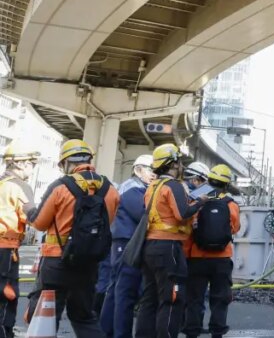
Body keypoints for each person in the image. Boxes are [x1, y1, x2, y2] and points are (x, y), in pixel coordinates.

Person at [27, 139, 119, 338]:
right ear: (89, 160)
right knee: (84, 316)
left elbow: (40, 223)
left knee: (45, 315)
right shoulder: (109, 189)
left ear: (67, 162)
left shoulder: (60, 186)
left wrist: (29, 211)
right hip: (88, 262)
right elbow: (107, 222)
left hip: (56, 261)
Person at [134, 144, 207, 338]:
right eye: (179, 162)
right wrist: (200, 202)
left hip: (150, 246)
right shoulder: (172, 185)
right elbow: (182, 214)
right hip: (169, 248)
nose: (182, 166)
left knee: (149, 299)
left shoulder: (153, 186)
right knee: (172, 298)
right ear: (173, 163)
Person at [99, 154, 154, 338]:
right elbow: (143, 215)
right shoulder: (132, 188)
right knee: (125, 292)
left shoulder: (139, 187)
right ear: (138, 170)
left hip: (125, 242)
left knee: (116, 290)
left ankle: (107, 330)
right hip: (126, 243)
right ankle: (120, 334)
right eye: (150, 169)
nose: (154, 174)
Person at [184, 165, 239, 338]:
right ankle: (217, 332)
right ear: (226, 184)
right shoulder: (231, 204)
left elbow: (188, 226)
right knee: (220, 298)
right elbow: (235, 228)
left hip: (197, 257)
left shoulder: (196, 201)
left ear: (209, 180)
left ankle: (192, 332)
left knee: (194, 298)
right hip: (222, 258)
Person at [0, 143, 38, 338]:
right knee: (6, 295)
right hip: (4, 248)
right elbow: (34, 217)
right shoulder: (19, 186)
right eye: (32, 163)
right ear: (21, 163)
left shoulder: (2, 182)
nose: (32, 168)